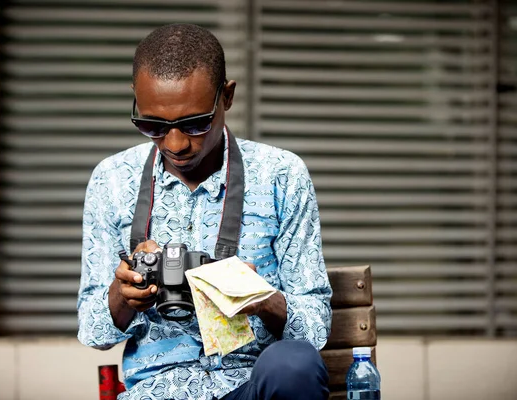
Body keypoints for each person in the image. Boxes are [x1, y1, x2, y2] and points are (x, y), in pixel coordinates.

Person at [77, 23, 332, 400]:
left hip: (250, 386)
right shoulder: (112, 182)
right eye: (153, 126)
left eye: (195, 123)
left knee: (292, 364)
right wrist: (123, 295)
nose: (176, 143)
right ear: (136, 100)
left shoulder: (281, 175)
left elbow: (313, 332)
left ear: (226, 97)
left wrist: (261, 299)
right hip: (155, 391)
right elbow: (93, 333)